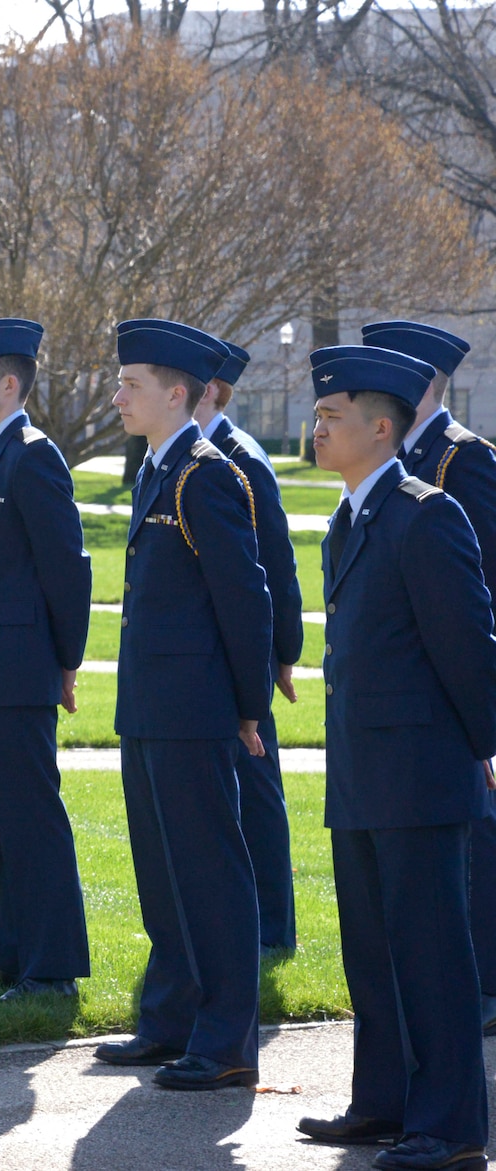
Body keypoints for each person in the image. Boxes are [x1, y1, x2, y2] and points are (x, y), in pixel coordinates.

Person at [294, 344, 496, 1171]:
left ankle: (448, 1126)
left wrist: (486, 748)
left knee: (432, 954)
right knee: (372, 951)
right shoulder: (351, 517)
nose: (317, 429)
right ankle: (383, 1104)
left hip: (420, 776)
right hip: (364, 773)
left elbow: (469, 649)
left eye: (332, 417)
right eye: (316, 416)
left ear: (382, 428)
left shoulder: (426, 512)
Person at [93, 319, 271, 1091]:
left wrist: (246, 707)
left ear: (177, 395)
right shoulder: (157, 469)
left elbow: (246, 601)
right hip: (150, 707)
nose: (118, 394)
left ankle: (227, 1037)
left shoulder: (206, 474)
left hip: (195, 709)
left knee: (210, 875)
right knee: (162, 875)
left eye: (131, 384)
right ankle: (170, 1019)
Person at [0, 317, 92, 998]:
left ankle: (53, 964)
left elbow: (66, 566)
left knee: (31, 818)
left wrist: (66, 661)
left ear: (9, 383)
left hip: (18, 668)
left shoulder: (34, 455)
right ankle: (5, 949)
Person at [360, 318, 496, 1034]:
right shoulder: (392, 458)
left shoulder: (460, 460)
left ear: (427, 382)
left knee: (476, 837)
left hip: (457, 672)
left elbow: (482, 580)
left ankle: (486, 983)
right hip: (409, 681)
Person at [197, 339, 304, 954]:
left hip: (243, 647)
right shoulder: (198, 452)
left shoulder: (239, 456)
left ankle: (272, 930)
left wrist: (283, 652)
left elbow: (276, 567)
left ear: (210, 390)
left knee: (256, 790)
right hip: (215, 649)